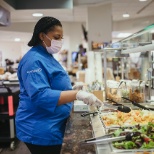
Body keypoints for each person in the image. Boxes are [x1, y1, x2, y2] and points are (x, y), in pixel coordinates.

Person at [15, 16, 102, 154]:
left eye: (61, 38)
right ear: (42, 35)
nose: (59, 41)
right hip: (40, 128)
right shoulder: (33, 61)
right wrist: (76, 94)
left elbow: (51, 84)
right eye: (56, 37)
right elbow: (40, 95)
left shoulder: (47, 56)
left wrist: (70, 89)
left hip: (53, 122)